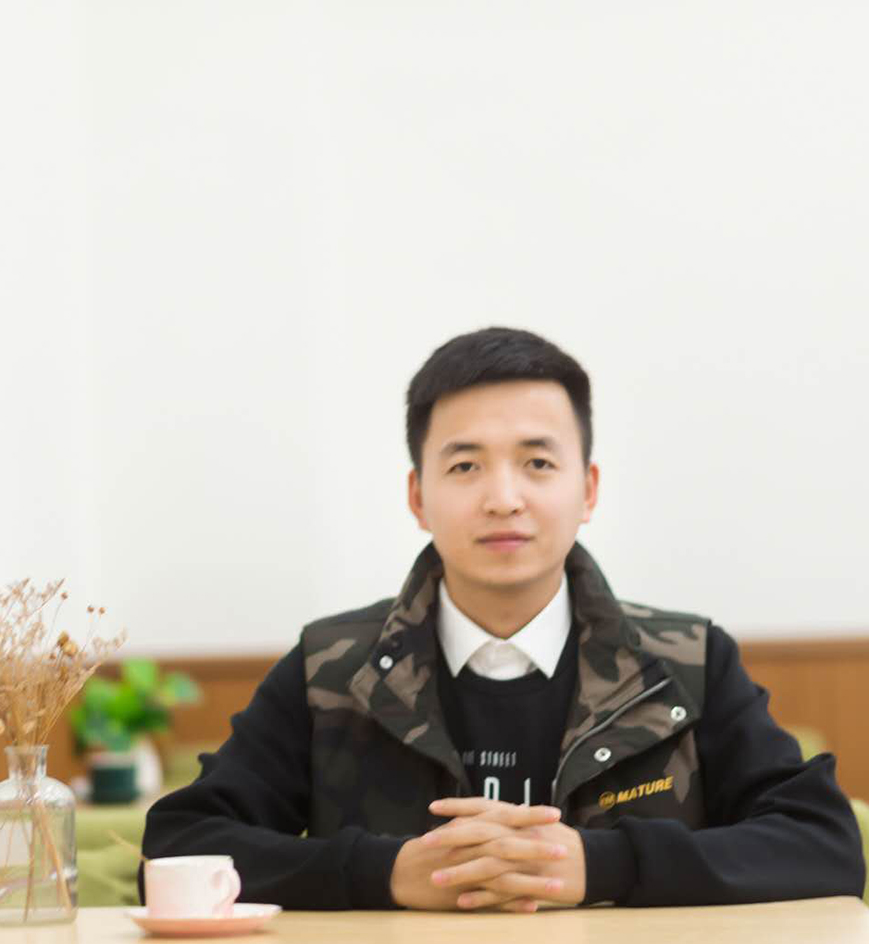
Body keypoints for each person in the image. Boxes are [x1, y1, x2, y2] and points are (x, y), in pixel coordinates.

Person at [139, 327, 865, 912]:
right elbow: (177, 846)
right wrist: (385, 873)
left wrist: (600, 865)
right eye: (465, 466)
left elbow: (825, 844)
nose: (503, 498)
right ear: (417, 497)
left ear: (587, 490)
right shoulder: (332, 668)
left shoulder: (685, 662)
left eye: (537, 464)